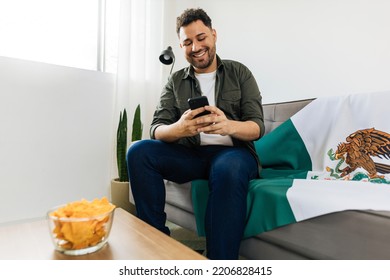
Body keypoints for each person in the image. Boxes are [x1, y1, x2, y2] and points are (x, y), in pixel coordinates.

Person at [127, 8, 264, 260]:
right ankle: (156, 249)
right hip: (191, 155)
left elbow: (257, 127)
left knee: (227, 168)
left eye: (201, 38)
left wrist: (229, 126)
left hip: (234, 154)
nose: (196, 47)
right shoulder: (175, 80)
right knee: (138, 151)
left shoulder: (239, 72)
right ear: (181, 45)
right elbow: (156, 129)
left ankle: (220, 263)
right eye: (188, 42)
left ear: (213, 35)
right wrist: (179, 128)